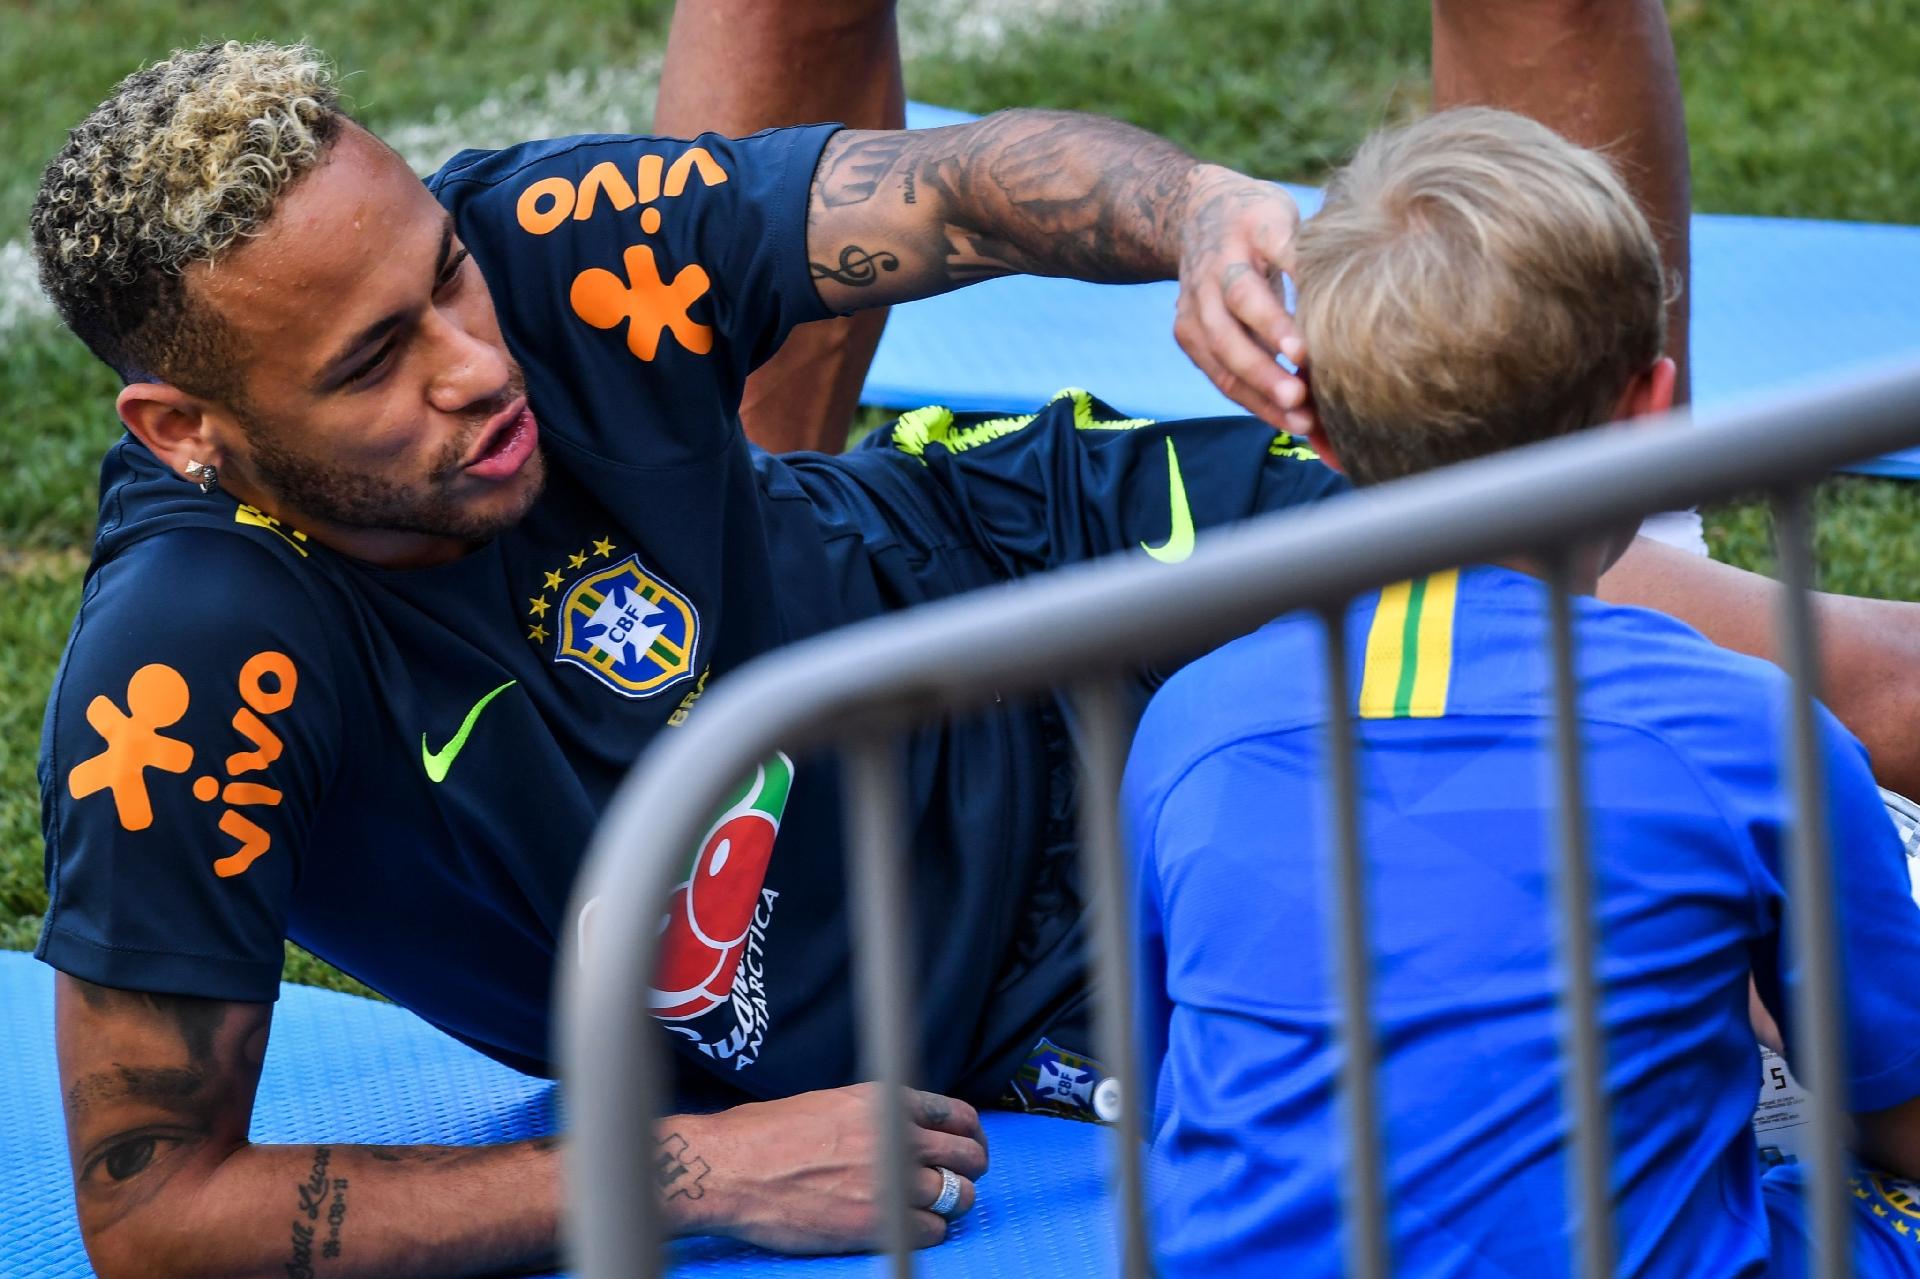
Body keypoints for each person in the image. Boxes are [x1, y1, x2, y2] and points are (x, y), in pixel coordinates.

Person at [30, 37, 1346, 1279]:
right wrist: (691, 1168)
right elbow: (155, 1205)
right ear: (184, 430)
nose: (480, 364)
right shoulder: (186, 678)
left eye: (442, 273)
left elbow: (951, 191)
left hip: (1037, 570)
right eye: (375, 360)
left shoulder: (551, 242)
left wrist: (1199, 208)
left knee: (1511, 508)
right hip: (999, 983)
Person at [1125, 108, 1920, 1278]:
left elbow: (1173, 1094)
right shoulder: (1750, 734)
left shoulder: (1186, 719)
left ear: (1322, 435)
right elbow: (1897, 1106)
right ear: (1652, 414)